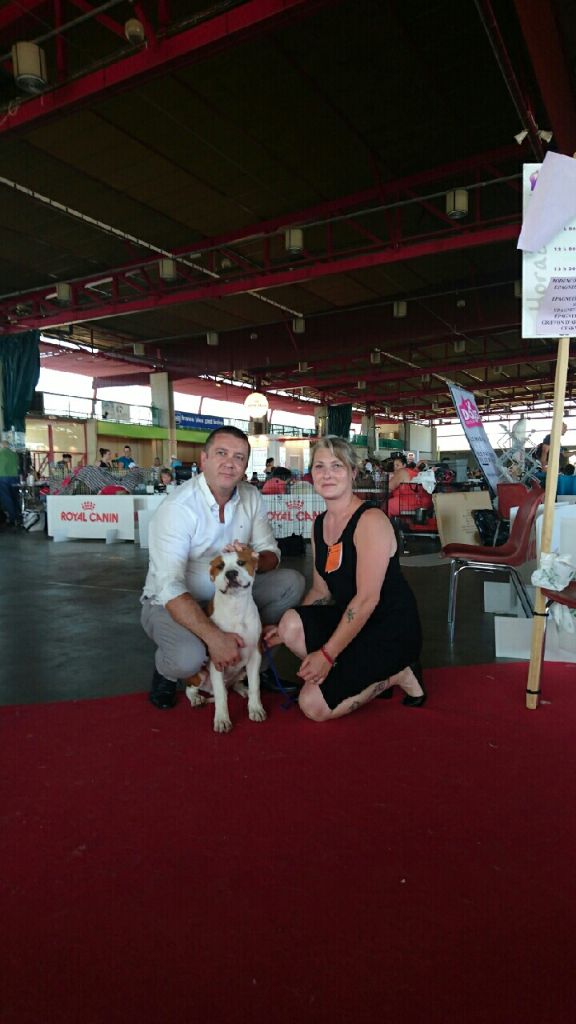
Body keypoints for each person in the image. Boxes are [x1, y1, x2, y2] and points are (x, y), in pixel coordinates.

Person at [141, 426, 306, 709]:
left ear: (245, 466)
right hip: (174, 601)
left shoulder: (251, 496)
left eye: (239, 457)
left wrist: (252, 557)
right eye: (221, 453)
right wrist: (215, 638)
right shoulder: (177, 508)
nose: (230, 463)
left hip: (233, 594)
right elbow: (169, 587)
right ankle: (166, 672)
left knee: (291, 583)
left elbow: (272, 554)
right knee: (188, 657)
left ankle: (256, 665)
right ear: (204, 459)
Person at [262, 437, 425, 722]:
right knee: (289, 623)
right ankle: (350, 673)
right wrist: (283, 632)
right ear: (311, 474)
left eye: (336, 466)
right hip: (352, 622)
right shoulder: (319, 523)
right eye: (319, 466)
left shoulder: (370, 520)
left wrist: (327, 655)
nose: (327, 474)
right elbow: (320, 590)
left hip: (390, 629)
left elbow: (367, 599)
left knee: (312, 706)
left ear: (353, 472)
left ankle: (399, 672)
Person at [0, 441, 20, 526]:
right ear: (8, 446)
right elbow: (18, 466)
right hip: (15, 478)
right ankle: (19, 517)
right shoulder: (14, 454)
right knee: (15, 498)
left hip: (3, 477)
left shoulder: (1, 453)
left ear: (2, 446)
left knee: (7, 499)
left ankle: (13, 519)